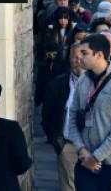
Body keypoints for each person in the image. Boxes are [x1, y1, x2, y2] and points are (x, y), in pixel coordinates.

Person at [64, 33, 111, 190]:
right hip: (84, 161)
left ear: (99, 55)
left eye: (84, 53)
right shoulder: (83, 81)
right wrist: (81, 149)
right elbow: (72, 118)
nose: (79, 57)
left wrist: (96, 157)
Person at [43, 42, 84, 191]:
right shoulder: (57, 84)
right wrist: (56, 141)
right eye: (75, 57)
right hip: (68, 144)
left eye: (83, 57)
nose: (79, 61)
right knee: (68, 186)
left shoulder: (98, 84)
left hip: (93, 146)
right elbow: (47, 116)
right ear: (69, 59)